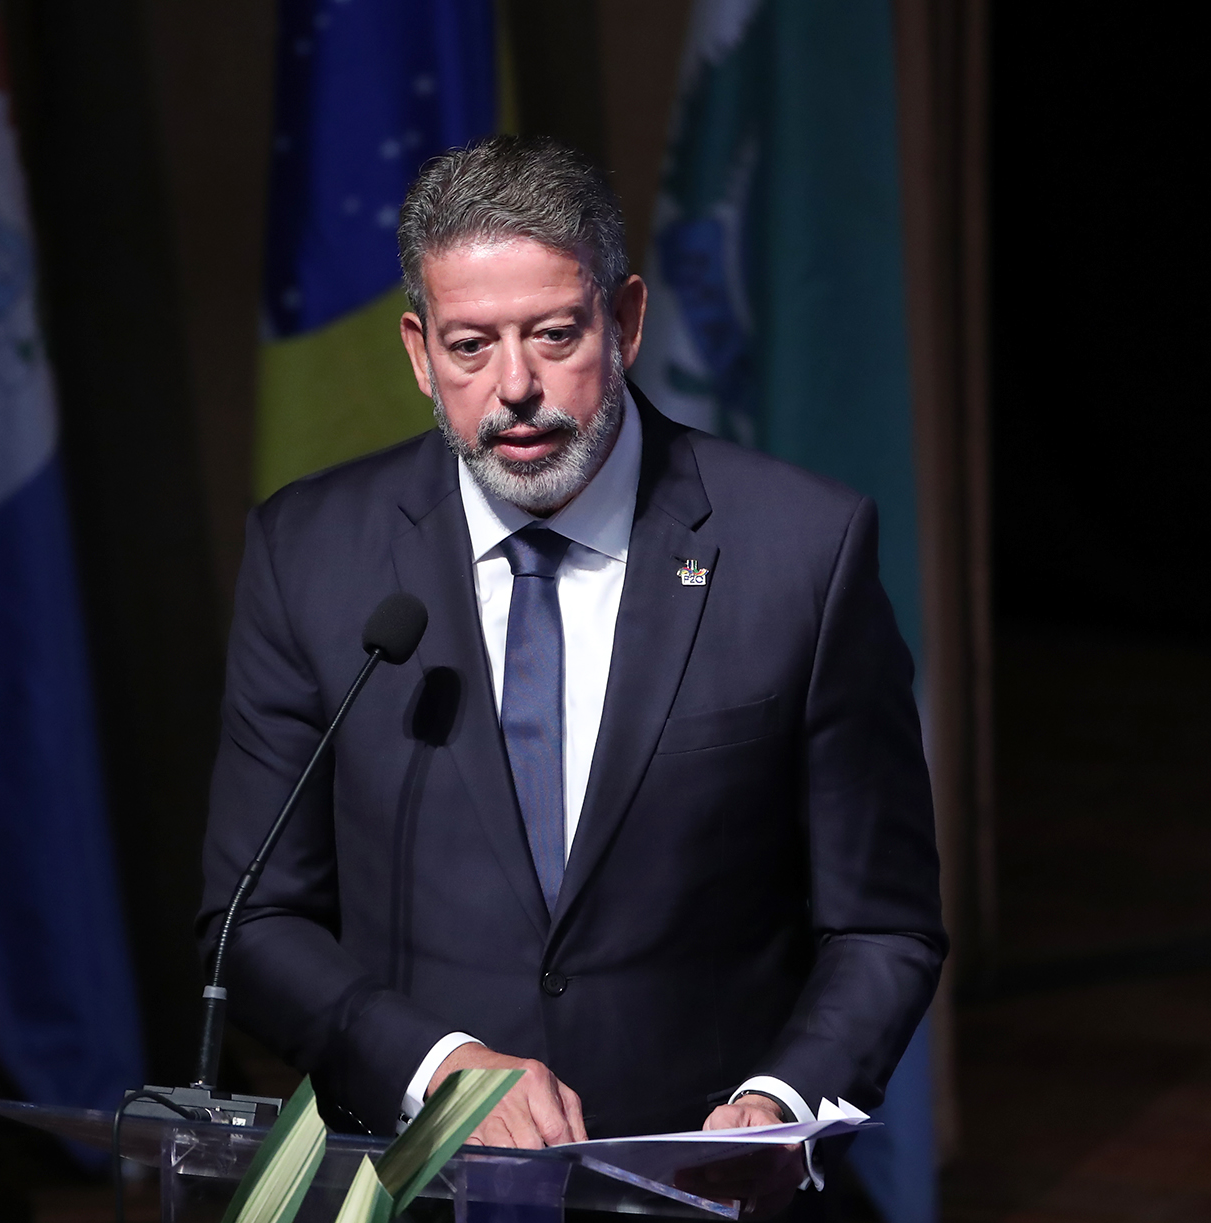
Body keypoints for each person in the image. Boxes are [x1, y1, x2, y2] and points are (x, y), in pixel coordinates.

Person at [199, 135, 943, 1212]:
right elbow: (253, 919)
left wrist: (780, 1100)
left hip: (699, 1193)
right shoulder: (311, 554)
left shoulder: (799, 551)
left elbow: (882, 922)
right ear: (417, 352)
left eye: (553, 335)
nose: (514, 387)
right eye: (469, 346)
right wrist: (437, 1066)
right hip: (414, 1187)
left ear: (626, 319)